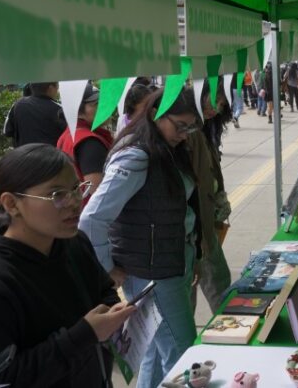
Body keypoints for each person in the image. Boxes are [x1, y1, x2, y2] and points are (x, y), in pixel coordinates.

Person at [0, 144, 133, 387]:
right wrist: (82, 336)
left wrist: (114, 311)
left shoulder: (73, 243)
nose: (75, 202)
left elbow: (102, 290)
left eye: (76, 188)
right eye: (57, 195)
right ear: (12, 204)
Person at [79, 88, 201, 388]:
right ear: (156, 113)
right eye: (181, 126)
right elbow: (92, 218)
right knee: (182, 356)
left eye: (190, 127)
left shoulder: (165, 148)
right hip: (153, 272)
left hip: (168, 261)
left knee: (154, 353)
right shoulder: (136, 155)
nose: (185, 134)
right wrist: (107, 268)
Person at [188, 84, 233, 314]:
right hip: (195, 227)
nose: (217, 108)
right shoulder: (190, 132)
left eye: (222, 103)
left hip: (203, 222)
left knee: (214, 284)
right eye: (215, 100)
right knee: (212, 285)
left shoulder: (204, 128)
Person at [56, 84, 113, 198]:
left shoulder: (69, 134)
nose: (105, 107)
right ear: (78, 111)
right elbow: (98, 192)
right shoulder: (90, 142)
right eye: (96, 104)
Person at [3, 82, 67, 147]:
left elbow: (7, 132)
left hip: (23, 154)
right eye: (57, 86)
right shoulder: (60, 110)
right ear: (50, 88)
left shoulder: (17, 105)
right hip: (51, 155)